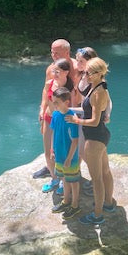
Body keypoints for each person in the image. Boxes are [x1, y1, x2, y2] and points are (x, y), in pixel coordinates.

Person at [65, 57, 114, 225]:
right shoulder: (96, 87)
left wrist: (76, 121)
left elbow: (93, 120)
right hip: (100, 135)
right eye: (85, 71)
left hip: (94, 137)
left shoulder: (99, 92)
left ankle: (97, 215)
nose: (85, 74)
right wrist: (70, 109)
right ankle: (108, 203)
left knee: (97, 178)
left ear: (99, 74)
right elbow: (87, 111)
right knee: (105, 171)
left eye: (88, 72)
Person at [33, 39, 77, 179]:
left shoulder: (76, 68)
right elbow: (46, 91)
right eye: (52, 52)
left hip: (67, 116)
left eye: (57, 53)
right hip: (50, 115)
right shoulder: (51, 68)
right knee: (49, 147)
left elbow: (79, 93)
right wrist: (42, 108)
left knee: (66, 148)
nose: (54, 55)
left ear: (67, 52)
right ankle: (52, 172)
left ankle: (70, 175)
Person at [41, 59, 74, 193]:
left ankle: (63, 181)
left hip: (62, 122)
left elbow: (73, 107)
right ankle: (54, 178)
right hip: (49, 119)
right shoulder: (49, 83)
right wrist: (42, 111)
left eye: (57, 71)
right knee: (48, 151)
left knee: (61, 152)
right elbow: (45, 97)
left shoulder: (70, 88)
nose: (54, 73)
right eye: (53, 70)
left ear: (66, 72)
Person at [49, 87, 81, 219]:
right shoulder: (56, 115)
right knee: (64, 178)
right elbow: (53, 133)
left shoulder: (71, 118)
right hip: (59, 155)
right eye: (53, 102)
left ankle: (75, 205)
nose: (54, 104)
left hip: (69, 157)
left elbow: (75, 141)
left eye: (57, 102)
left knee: (73, 181)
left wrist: (69, 158)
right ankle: (66, 201)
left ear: (66, 102)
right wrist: (52, 149)